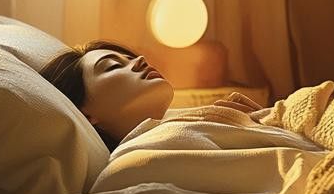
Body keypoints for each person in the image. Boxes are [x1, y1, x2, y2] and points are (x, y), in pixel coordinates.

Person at [41, 40, 261, 150]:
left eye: (129, 58)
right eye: (113, 67)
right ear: (85, 115)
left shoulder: (216, 116)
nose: (140, 59)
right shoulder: (139, 158)